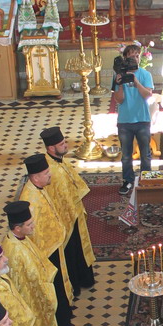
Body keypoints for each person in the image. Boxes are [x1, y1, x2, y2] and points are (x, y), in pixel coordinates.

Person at [3, 201, 67, 326]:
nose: (34, 226)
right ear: (17, 227)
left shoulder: (21, 239)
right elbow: (21, 283)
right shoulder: (13, 251)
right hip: (31, 304)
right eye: (29, 224)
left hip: (40, 297)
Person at [39, 127, 95, 296]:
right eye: (62, 144)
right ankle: (75, 284)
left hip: (73, 214)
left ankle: (85, 279)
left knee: (79, 248)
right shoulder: (50, 170)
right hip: (65, 220)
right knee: (71, 252)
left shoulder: (59, 161)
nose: (66, 146)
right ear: (51, 148)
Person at [21, 153, 74, 326]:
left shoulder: (39, 188)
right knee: (54, 287)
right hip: (45, 251)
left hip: (53, 243)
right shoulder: (30, 199)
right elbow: (32, 231)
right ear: (35, 177)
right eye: (46, 173)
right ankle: (62, 322)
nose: (50, 174)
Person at [113, 50, 154, 196]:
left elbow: (147, 95)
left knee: (145, 154)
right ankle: (128, 180)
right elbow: (119, 100)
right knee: (126, 155)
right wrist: (120, 84)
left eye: (137, 56)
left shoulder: (145, 74)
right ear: (125, 58)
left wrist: (136, 82)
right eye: (131, 56)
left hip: (142, 119)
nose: (135, 59)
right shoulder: (118, 75)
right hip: (125, 121)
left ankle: (146, 180)